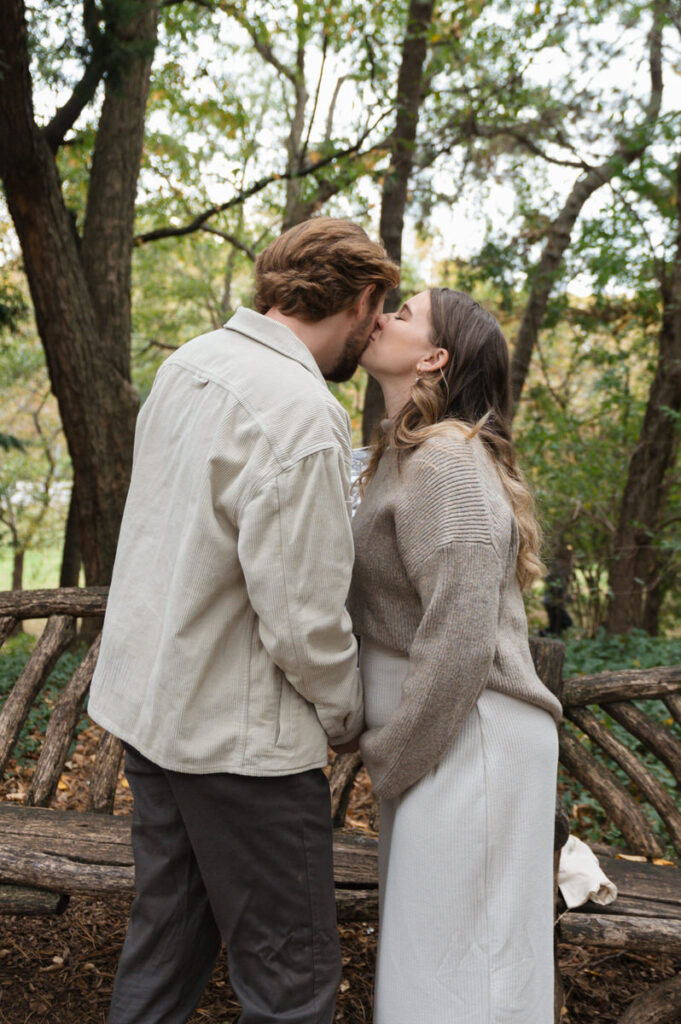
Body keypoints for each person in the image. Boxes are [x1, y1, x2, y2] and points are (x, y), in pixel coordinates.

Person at [87, 217, 400, 1024]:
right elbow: (302, 616)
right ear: (362, 298)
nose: (373, 333)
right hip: (239, 745)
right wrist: (345, 714)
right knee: (290, 982)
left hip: (153, 713)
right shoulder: (301, 412)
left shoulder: (189, 363)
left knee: (164, 950)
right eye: (377, 313)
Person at [348, 288, 563, 1024]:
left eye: (402, 314)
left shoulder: (446, 461)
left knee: (462, 978)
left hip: (471, 733)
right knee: (436, 960)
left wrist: (388, 752)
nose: (380, 317)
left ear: (434, 358)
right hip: (441, 732)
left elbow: (463, 635)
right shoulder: (404, 455)